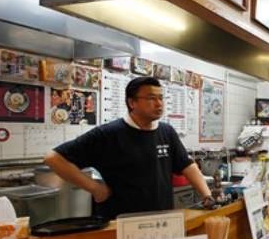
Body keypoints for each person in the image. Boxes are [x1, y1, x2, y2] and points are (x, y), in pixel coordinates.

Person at [44, 76, 214, 219]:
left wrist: (207, 196)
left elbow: (187, 165)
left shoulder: (166, 132)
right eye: (151, 98)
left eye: (161, 98)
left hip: (161, 220)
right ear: (132, 102)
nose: (159, 103)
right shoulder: (109, 134)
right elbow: (53, 158)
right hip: (121, 222)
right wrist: (95, 188)